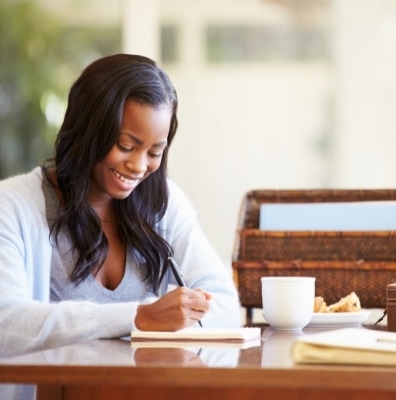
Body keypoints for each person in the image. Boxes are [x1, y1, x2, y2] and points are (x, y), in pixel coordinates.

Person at [0, 54, 242, 360]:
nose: (139, 166)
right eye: (126, 146)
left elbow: (224, 305)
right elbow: (6, 323)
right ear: (89, 130)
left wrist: (174, 317)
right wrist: (139, 318)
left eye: (155, 151)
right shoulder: (11, 206)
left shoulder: (163, 205)